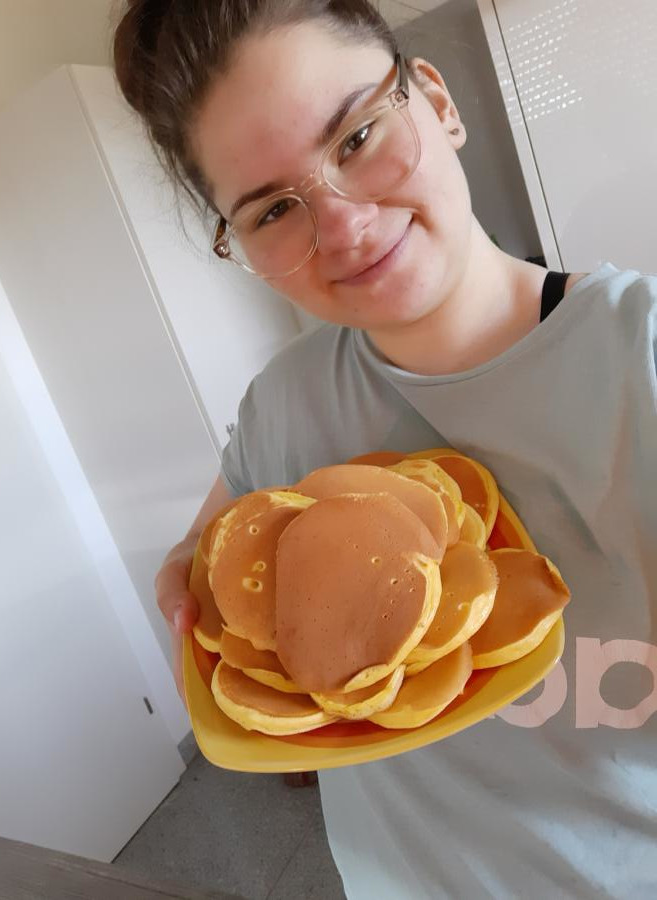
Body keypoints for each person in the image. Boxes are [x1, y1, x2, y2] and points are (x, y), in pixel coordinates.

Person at [113, 2, 657, 897]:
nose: (344, 226)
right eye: (274, 208)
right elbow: (211, 552)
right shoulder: (285, 402)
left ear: (435, 102)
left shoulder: (637, 359)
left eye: (358, 136)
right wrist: (182, 572)